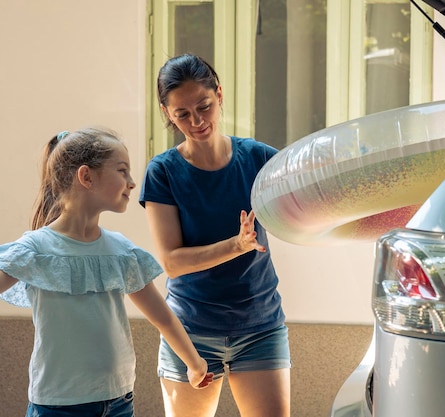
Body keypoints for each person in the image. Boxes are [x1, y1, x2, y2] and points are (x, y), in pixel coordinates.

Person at [0, 127, 213, 417]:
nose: (132, 182)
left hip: (118, 402)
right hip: (58, 406)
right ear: (86, 177)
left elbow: (161, 316)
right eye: (122, 171)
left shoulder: (120, 252)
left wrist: (195, 363)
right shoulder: (36, 249)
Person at [139, 53, 291, 417]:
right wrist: (237, 245)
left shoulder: (258, 158)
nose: (196, 121)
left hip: (260, 326)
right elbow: (172, 263)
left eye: (204, 106)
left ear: (219, 95)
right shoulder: (162, 173)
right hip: (190, 331)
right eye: (182, 114)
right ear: (167, 113)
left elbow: (310, 194)